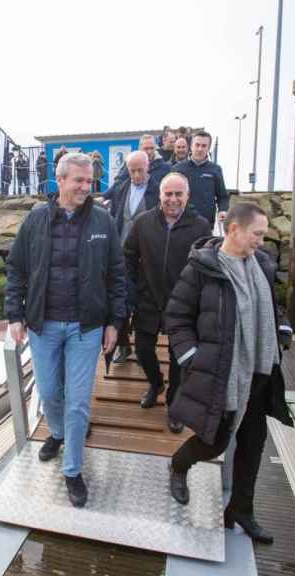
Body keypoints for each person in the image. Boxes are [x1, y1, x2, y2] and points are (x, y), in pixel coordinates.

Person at [164, 202, 292, 544]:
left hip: (261, 372)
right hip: (224, 373)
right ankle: (178, 465)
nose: (262, 242)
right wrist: (192, 356)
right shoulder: (203, 269)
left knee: (253, 443)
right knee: (214, 441)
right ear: (233, 229)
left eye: (264, 235)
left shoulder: (261, 265)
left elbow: (272, 307)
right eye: (257, 234)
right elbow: (176, 318)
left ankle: (240, 510)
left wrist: (281, 328)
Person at [5, 151, 126, 508]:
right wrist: (15, 314)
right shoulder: (35, 219)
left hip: (85, 328)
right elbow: (16, 269)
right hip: (43, 324)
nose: (86, 188)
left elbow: (118, 276)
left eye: (90, 182)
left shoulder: (104, 222)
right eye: (79, 181)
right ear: (60, 181)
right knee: (48, 392)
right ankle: (57, 433)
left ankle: (72, 470)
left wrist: (115, 323)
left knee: (77, 402)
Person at [123, 172, 208, 429]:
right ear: (160, 195)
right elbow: (127, 257)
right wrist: (133, 289)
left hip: (183, 304)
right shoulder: (142, 222)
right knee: (142, 350)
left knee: (178, 359)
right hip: (148, 299)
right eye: (168, 194)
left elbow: (206, 266)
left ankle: (174, 406)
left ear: (187, 196)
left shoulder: (201, 226)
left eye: (178, 194)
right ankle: (156, 384)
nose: (173, 199)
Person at [107, 151, 160, 364]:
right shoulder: (121, 188)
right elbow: (114, 215)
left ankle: (142, 348)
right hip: (121, 256)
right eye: (132, 171)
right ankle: (123, 346)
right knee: (118, 301)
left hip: (147, 258)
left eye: (140, 170)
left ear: (148, 167)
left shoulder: (159, 191)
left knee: (144, 305)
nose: (136, 175)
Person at [171, 131, 228, 226]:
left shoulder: (215, 169)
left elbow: (223, 196)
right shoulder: (177, 169)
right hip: (181, 224)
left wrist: (223, 210)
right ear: (191, 146)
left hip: (206, 224)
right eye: (197, 145)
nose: (200, 149)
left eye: (204, 146)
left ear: (208, 148)